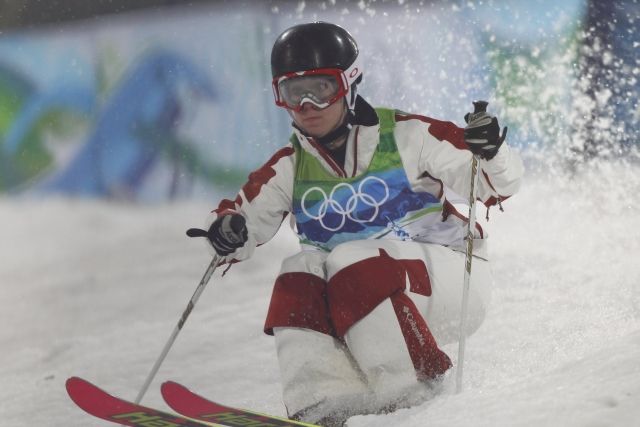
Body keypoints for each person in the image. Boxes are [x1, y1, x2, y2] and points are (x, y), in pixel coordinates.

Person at [196, 22, 523, 426]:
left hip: (450, 279)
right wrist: (226, 233)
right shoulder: (290, 167)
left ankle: (412, 391)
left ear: (350, 83)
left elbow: (495, 185)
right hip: (364, 300)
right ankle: (324, 403)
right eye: (292, 93)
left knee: (352, 258)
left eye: (322, 88)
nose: (307, 106)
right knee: (297, 273)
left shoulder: (407, 135)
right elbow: (239, 219)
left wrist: (491, 152)